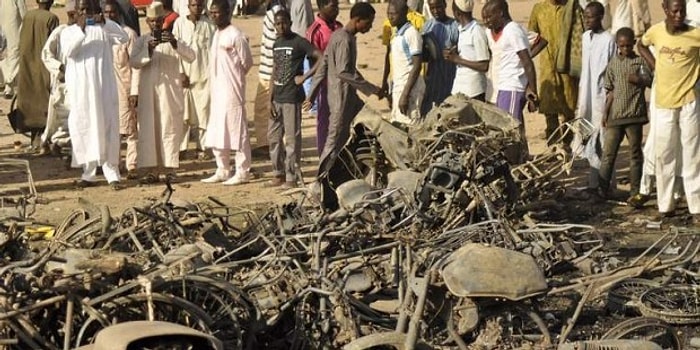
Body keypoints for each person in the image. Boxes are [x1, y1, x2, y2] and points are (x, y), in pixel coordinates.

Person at [306, 2, 384, 210]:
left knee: (371, 127)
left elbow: (324, 65)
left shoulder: (342, 36)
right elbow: (343, 72)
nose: (370, 27)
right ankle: (319, 184)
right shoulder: (343, 39)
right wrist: (372, 88)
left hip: (350, 98)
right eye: (369, 22)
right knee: (333, 143)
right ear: (359, 19)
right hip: (340, 98)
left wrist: (312, 93)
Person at [638, 0, 700, 218]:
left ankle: (696, 206)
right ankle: (665, 205)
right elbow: (641, 45)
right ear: (665, 10)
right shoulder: (655, 32)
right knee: (665, 154)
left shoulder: (695, 34)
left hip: (689, 102)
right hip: (664, 103)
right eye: (675, 10)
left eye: (682, 10)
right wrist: (655, 66)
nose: (679, 14)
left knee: (692, 154)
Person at [60, 0, 128, 190]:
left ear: (95, 11)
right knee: (84, 128)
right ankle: (88, 174)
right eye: (81, 10)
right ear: (75, 12)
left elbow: (123, 38)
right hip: (82, 93)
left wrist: (104, 22)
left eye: (88, 10)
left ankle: (112, 173)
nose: (85, 13)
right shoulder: (68, 32)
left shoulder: (103, 29)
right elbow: (68, 52)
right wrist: (81, 31)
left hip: (104, 89)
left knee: (108, 127)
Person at [130, 1, 195, 183]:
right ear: (147, 22)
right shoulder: (142, 41)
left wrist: (175, 44)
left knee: (169, 129)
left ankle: (170, 170)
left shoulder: (172, 39)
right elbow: (133, 62)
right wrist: (148, 50)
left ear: (162, 21)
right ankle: (151, 170)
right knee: (149, 131)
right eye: (151, 22)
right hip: (148, 94)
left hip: (168, 95)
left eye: (157, 22)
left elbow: (191, 56)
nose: (155, 25)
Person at [200, 0, 254, 185]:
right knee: (217, 130)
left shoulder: (236, 35)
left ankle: (242, 171)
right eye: (212, 13)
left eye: (217, 12)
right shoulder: (216, 34)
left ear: (227, 12)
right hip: (217, 90)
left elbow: (246, 62)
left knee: (237, 131)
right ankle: (222, 169)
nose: (214, 16)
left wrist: (235, 78)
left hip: (232, 90)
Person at [268, 10, 322, 188]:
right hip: (277, 97)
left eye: (284, 23)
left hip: (292, 97)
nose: (281, 27)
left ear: (290, 23)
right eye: (277, 24)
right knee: (274, 138)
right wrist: (269, 98)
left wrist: (304, 77)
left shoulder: (299, 42)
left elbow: (321, 58)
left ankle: (292, 177)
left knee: (292, 139)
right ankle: (278, 173)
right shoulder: (276, 43)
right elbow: (274, 70)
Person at [598, 27, 650, 205]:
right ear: (617, 45)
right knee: (608, 154)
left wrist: (640, 80)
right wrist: (605, 113)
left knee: (635, 154)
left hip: (634, 115)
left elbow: (650, 81)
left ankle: (635, 192)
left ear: (634, 44)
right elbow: (610, 91)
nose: (626, 49)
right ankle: (601, 191)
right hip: (615, 116)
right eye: (622, 46)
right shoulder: (613, 64)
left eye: (629, 45)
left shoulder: (640, 62)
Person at [482, 0, 539, 158]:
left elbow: (527, 62)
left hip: (513, 87)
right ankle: (522, 162)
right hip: (502, 88)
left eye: (488, 17)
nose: (486, 21)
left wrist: (532, 90)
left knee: (511, 131)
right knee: (510, 130)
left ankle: (515, 165)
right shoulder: (494, 31)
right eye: (484, 18)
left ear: (500, 13)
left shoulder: (513, 31)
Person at [574, 1, 616, 191]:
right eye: (585, 16)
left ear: (600, 17)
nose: (587, 20)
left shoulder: (609, 40)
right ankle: (593, 183)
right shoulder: (585, 37)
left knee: (604, 141)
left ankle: (606, 184)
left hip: (602, 97)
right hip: (586, 97)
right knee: (588, 137)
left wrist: (609, 102)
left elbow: (612, 72)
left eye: (590, 16)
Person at [528, 0, 578, 147]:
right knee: (549, 109)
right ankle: (553, 146)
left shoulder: (572, 8)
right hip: (547, 68)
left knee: (569, 108)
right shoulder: (538, 9)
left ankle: (567, 144)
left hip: (568, 68)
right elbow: (531, 36)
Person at [173, 0, 215, 160]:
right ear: (188, 6)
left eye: (199, 5)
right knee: (182, 114)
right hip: (184, 77)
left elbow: (212, 51)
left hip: (204, 76)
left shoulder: (209, 25)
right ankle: (181, 149)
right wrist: (180, 72)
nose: (196, 8)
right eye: (193, 5)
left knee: (204, 113)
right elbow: (175, 49)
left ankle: (202, 148)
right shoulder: (179, 23)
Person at [104, 0, 140, 179]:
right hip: (108, 91)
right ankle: (115, 163)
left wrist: (134, 90)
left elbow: (135, 65)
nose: (109, 15)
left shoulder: (129, 34)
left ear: (118, 13)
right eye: (106, 12)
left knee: (131, 129)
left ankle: (132, 164)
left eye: (112, 12)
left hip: (125, 89)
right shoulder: (102, 34)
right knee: (112, 130)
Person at [16, 0, 59, 149]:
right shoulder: (51, 18)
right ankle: (44, 141)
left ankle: (35, 140)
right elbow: (55, 44)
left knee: (30, 102)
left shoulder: (28, 16)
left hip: (27, 63)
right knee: (46, 103)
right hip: (44, 66)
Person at [306, 0, 341, 155]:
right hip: (325, 85)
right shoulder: (315, 31)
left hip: (341, 82)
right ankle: (323, 158)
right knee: (324, 123)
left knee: (340, 121)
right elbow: (314, 61)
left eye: (338, 6)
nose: (337, 10)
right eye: (333, 6)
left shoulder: (339, 27)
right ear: (322, 7)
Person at [40, 0, 76, 153]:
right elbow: (46, 54)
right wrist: (60, 68)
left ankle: (57, 144)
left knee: (71, 117)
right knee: (60, 117)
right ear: (70, 14)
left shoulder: (86, 32)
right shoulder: (60, 31)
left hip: (77, 81)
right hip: (62, 82)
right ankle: (55, 143)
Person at [252, 0, 284, 158]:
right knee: (263, 109)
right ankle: (266, 144)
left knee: (267, 109)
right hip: (267, 69)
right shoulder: (272, 11)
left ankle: (269, 145)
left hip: (270, 71)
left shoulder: (276, 12)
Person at [387, 0, 425, 125]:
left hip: (409, 90)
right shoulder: (397, 34)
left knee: (409, 127)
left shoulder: (411, 34)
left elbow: (417, 65)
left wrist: (405, 94)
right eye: (388, 13)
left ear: (404, 13)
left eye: (394, 14)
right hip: (399, 87)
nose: (390, 17)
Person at [444, 0, 489, 101]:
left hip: (474, 90)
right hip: (459, 87)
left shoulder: (476, 31)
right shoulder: (461, 30)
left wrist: (457, 60)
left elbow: (484, 65)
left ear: (457, 13)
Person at [420, 0, 457, 114]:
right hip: (433, 73)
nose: (435, 11)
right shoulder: (428, 25)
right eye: (432, 8)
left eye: (439, 7)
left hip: (449, 73)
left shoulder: (454, 26)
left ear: (445, 5)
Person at [0, 0, 26, 99]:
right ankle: (9, 86)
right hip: (13, 25)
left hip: (4, 23)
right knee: (14, 53)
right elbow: (23, 13)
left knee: (6, 52)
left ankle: (4, 82)